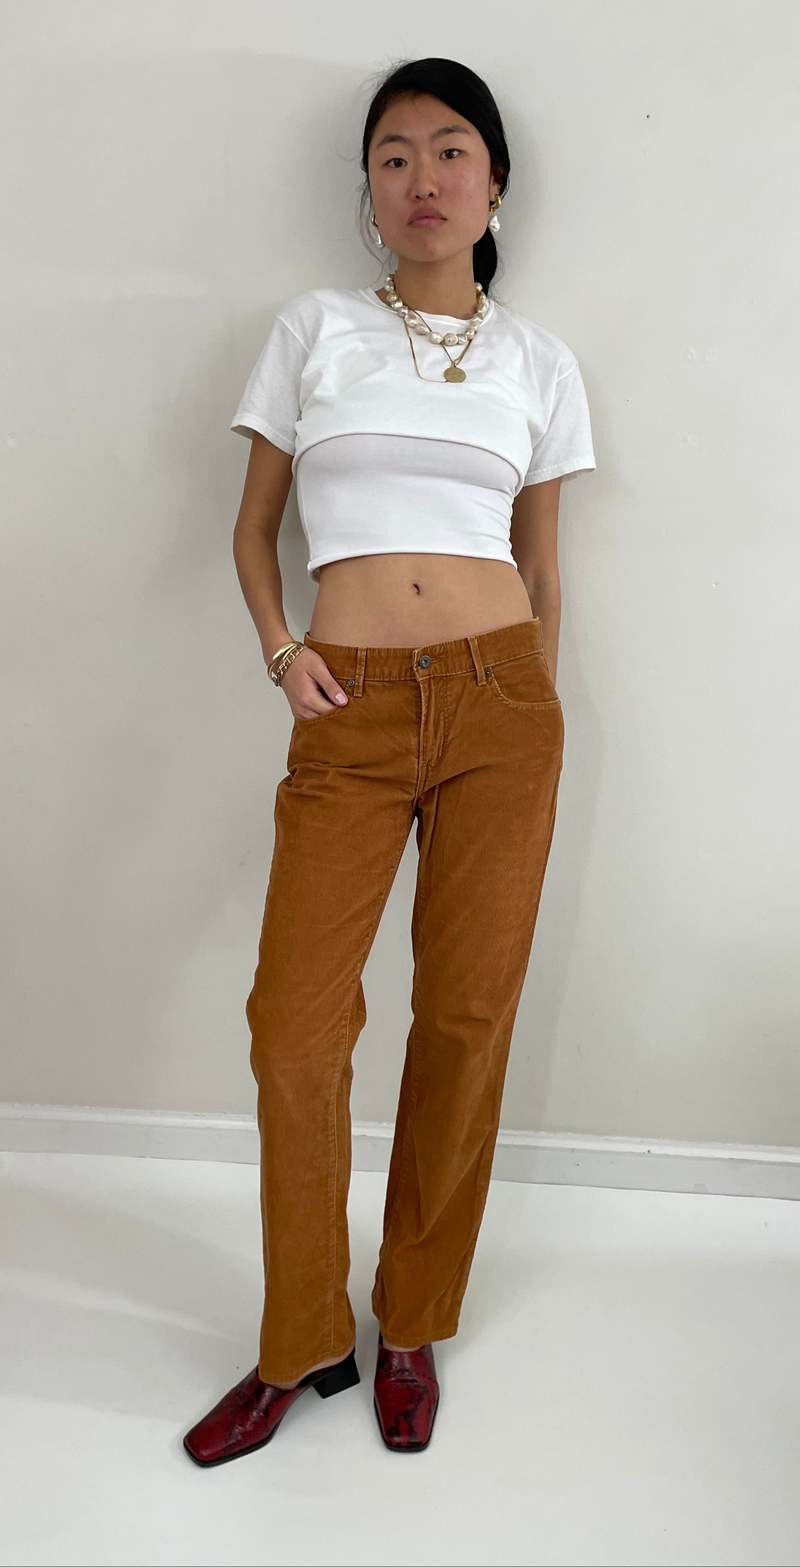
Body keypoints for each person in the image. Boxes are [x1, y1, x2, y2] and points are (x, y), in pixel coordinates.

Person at [183, 55, 596, 1466]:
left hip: (501, 706)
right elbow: (253, 529)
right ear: (369, 190)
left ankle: (411, 1321)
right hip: (345, 707)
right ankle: (301, 1339)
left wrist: (537, 700)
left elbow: (543, 560)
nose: (424, 177)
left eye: (451, 149)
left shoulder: (540, 362)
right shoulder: (314, 331)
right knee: (294, 1028)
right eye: (394, 155)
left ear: (495, 184)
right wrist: (277, 648)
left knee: (466, 1019)